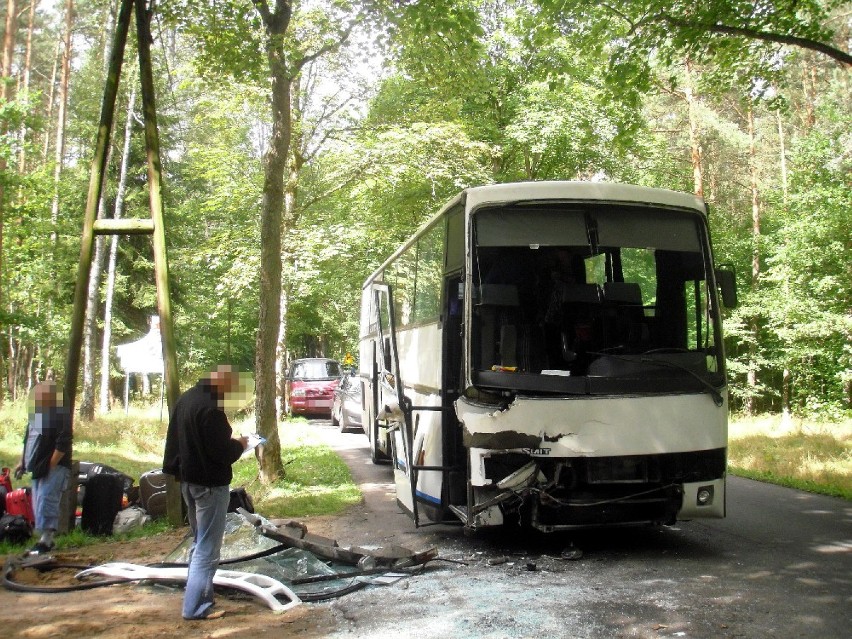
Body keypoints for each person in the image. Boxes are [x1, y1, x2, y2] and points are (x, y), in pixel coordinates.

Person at [162, 365, 248, 620]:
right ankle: (195, 607)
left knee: (201, 543)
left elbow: (175, 442)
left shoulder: (187, 399)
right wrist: (242, 444)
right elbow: (222, 453)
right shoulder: (211, 410)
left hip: (189, 482)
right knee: (207, 549)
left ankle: (203, 597)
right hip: (209, 486)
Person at [14, 380, 72, 554]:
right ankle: (43, 540)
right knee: (38, 501)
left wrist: (52, 464)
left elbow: (64, 441)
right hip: (37, 467)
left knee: (47, 500)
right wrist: (22, 462)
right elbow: (28, 442)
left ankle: (46, 541)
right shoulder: (35, 418)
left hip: (54, 467)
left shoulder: (59, 415)